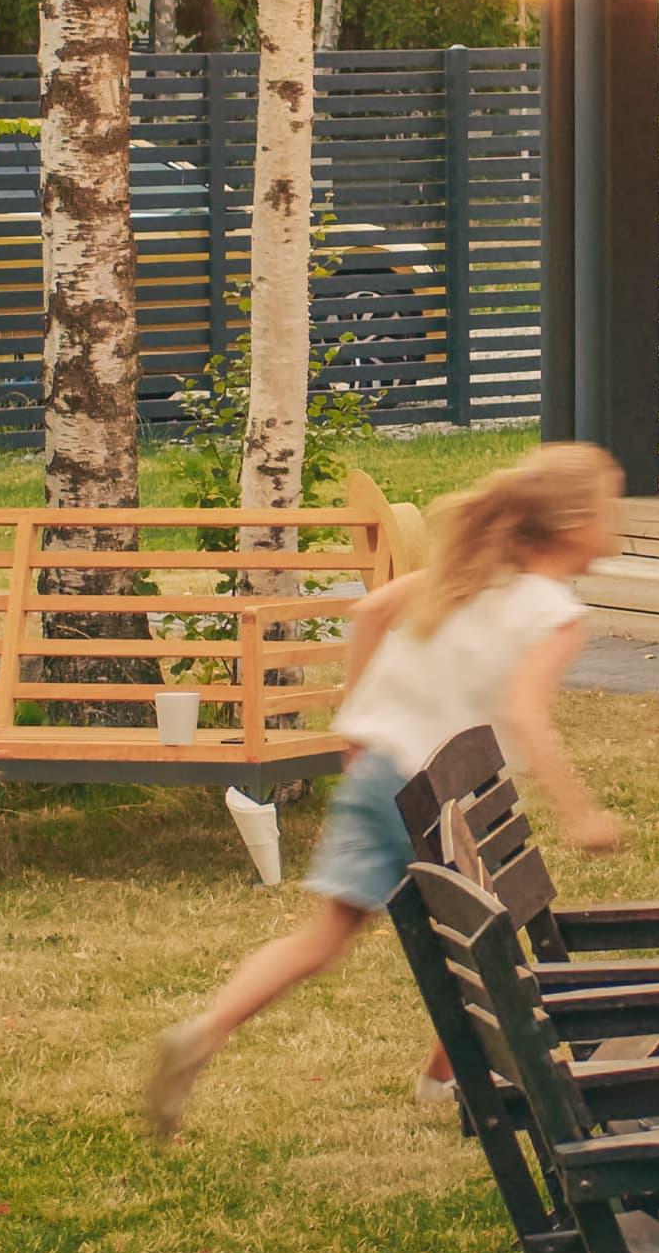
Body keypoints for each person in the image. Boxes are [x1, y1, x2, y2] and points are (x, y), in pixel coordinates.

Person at [143, 443, 633, 1138]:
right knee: (489, 939)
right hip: (441, 794)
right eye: (611, 505)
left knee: (331, 937)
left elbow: (370, 612)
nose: (619, 520)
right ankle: (447, 1079)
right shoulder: (553, 611)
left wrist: (352, 719)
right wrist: (582, 813)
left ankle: (206, 1029)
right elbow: (526, 712)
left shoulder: (469, 577)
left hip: (379, 768)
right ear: (575, 523)